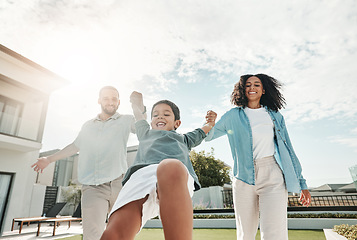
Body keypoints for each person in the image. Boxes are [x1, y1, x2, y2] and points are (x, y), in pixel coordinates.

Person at [205, 74, 311, 240]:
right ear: (242, 89)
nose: (252, 87)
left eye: (256, 84)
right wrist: (209, 124)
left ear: (263, 90)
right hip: (243, 177)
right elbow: (208, 136)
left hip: (272, 174)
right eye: (248, 85)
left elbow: (288, 149)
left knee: (274, 233)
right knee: (245, 233)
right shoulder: (233, 116)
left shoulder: (275, 116)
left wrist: (302, 182)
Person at [100, 91, 217, 240]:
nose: (160, 116)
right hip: (141, 176)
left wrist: (210, 123)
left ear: (177, 123)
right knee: (113, 234)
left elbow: (203, 131)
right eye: (155, 115)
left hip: (174, 176)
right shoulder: (145, 133)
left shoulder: (184, 139)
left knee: (170, 166)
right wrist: (136, 103)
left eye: (166, 114)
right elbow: (139, 115)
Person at [31, 86, 137, 240]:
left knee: (122, 233)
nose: (110, 102)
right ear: (99, 100)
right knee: (92, 235)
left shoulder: (126, 120)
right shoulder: (88, 125)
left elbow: (142, 127)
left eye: (114, 99)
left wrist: (138, 106)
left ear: (119, 102)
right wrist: (49, 159)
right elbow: (75, 146)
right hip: (93, 187)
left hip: (118, 184)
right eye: (106, 98)